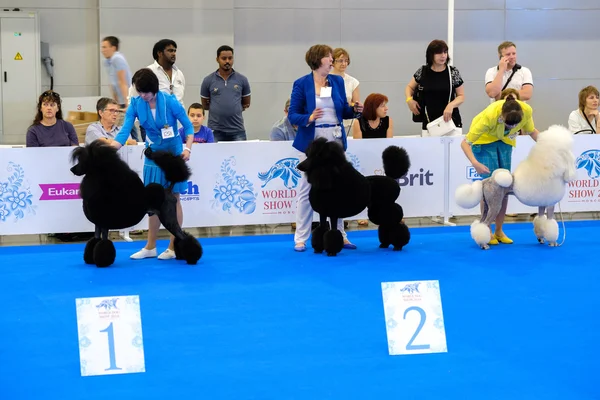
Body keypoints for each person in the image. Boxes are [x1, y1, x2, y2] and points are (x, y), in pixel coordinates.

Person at [110, 68, 194, 260]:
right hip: (152, 155)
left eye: (145, 92)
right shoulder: (136, 104)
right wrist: (111, 148)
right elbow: (124, 131)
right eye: (139, 91)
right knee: (153, 201)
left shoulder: (171, 101)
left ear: (154, 89)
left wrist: (187, 149)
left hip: (173, 155)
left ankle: (173, 246)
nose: (142, 95)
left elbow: (188, 127)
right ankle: (150, 246)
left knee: (174, 199)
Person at [288, 44, 363, 252]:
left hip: (335, 138)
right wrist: (309, 117)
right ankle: (300, 237)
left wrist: (355, 110)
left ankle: (340, 234)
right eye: (328, 57)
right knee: (306, 187)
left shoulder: (337, 81)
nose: (332, 60)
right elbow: (293, 114)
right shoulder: (302, 84)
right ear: (317, 60)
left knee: (338, 187)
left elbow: (344, 112)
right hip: (314, 140)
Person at [460, 98, 539, 245]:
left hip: (505, 142)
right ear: (501, 116)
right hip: (483, 143)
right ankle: (486, 229)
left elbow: (532, 132)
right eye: (509, 124)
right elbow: (465, 143)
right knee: (490, 188)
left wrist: (550, 146)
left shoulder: (526, 111)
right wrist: (475, 163)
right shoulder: (488, 117)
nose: (512, 127)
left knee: (504, 186)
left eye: (515, 125)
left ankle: (499, 230)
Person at [406, 39, 465, 136]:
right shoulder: (423, 71)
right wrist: (409, 99)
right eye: (439, 53)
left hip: (451, 122)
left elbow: (461, 96)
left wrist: (451, 106)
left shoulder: (453, 72)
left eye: (445, 52)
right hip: (430, 123)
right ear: (431, 55)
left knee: (453, 150)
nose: (443, 55)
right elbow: (409, 87)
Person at [200, 45, 251, 142]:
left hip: (237, 130)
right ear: (217, 59)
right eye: (224, 58)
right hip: (215, 130)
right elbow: (205, 105)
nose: (227, 61)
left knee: (241, 157)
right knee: (213, 157)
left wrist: (233, 108)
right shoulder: (208, 80)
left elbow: (246, 103)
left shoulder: (242, 80)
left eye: (230, 58)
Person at [330, 48, 360, 136]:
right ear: (333, 62)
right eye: (340, 61)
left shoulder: (353, 81)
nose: (344, 64)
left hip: (348, 122)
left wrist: (351, 104)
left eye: (346, 61)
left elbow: (356, 104)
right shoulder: (326, 79)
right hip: (332, 120)